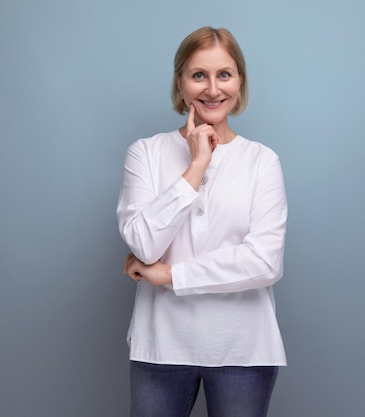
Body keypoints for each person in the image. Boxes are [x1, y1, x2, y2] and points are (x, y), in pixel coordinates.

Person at [117, 26, 287, 417]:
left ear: (240, 82)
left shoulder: (262, 162)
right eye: (199, 75)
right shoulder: (146, 153)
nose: (212, 89)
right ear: (180, 83)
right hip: (161, 346)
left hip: (243, 349)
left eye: (224, 74)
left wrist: (170, 276)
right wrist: (196, 165)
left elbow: (264, 262)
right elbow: (144, 244)